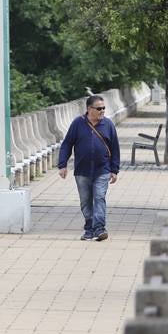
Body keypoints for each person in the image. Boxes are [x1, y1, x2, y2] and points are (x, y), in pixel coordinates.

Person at [58, 94, 121, 242]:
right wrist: (62, 165)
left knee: (99, 198)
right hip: (82, 171)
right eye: (99, 108)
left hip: (102, 170)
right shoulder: (77, 124)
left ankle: (99, 229)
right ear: (89, 109)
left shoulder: (108, 125)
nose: (102, 111)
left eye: (104, 108)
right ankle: (89, 229)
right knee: (85, 202)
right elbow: (67, 144)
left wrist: (114, 169)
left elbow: (115, 148)